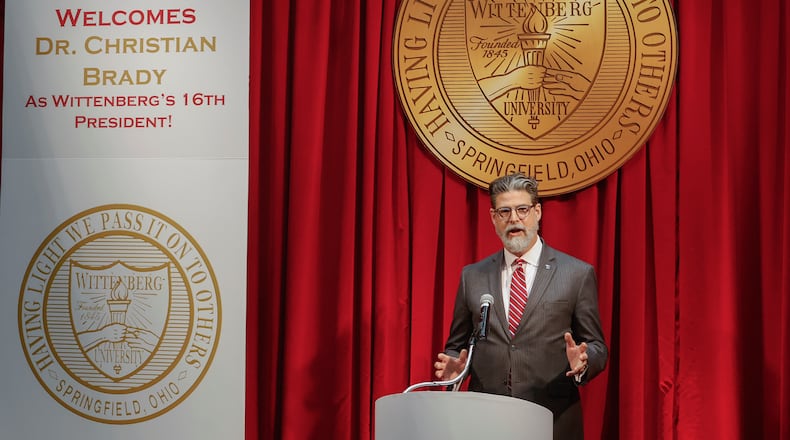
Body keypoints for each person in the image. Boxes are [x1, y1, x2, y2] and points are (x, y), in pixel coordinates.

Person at [434, 172, 608, 439]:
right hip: (486, 422)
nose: (514, 219)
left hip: (553, 420)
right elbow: (457, 345)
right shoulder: (473, 276)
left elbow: (597, 346)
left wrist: (583, 362)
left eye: (522, 209)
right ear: (494, 218)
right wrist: (457, 371)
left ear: (537, 212)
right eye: (504, 211)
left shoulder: (576, 274)